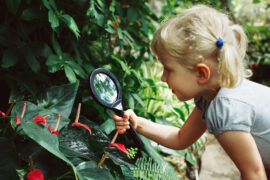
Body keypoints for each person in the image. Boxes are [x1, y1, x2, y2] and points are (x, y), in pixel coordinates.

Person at [112, 5, 270, 180]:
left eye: (169, 69)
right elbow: (181, 138)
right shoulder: (212, 96)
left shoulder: (226, 108)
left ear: (201, 74)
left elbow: (255, 175)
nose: (163, 78)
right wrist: (138, 123)